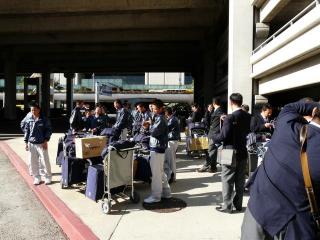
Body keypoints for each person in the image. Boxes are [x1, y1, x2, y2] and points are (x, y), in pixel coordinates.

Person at [241, 100, 320, 240]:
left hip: (259, 208)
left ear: (314, 112)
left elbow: (290, 106)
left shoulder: (286, 124)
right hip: (297, 226)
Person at [213, 93, 251, 213]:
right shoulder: (248, 116)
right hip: (243, 151)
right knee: (240, 181)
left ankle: (227, 206)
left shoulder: (230, 117)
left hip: (230, 152)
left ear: (231, 102)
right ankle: (238, 205)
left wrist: (213, 136)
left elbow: (223, 136)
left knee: (227, 180)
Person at [143, 99, 171, 203]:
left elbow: (154, 132)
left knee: (156, 174)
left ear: (160, 108)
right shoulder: (160, 117)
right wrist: (150, 124)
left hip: (157, 148)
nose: (153, 110)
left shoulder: (160, 118)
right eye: (152, 108)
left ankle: (156, 196)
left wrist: (148, 125)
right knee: (160, 172)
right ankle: (166, 192)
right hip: (159, 148)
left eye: (154, 108)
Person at [24, 103, 52, 185]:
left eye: (34, 109)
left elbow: (49, 130)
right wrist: (26, 142)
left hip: (42, 143)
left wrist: (46, 140)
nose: (33, 111)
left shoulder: (44, 119)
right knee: (33, 162)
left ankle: (48, 177)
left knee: (45, 161)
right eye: (31, 110)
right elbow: (27, 131)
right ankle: (37, 178)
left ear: (39, 110)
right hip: (31, 143)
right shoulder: (29, 119)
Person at [198, 97, 224, 173]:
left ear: (213, 103)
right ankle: (213, 167)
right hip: (213, 133)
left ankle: (206, 166)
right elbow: (209, 122)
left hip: (214, 133)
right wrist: (208, 112)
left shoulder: (219, 111)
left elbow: (208, 122)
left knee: (210, 151)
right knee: (213, 151)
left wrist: (208, 112)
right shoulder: (215, 111)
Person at [164, 107, 180, 182]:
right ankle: (172, 176)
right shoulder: (172, 118)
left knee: (171, 161)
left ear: (167, 112)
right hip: (171, 140)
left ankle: (173, 177)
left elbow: (166, 128)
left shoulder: (173, 119)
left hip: (172, 140)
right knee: (170, 160)